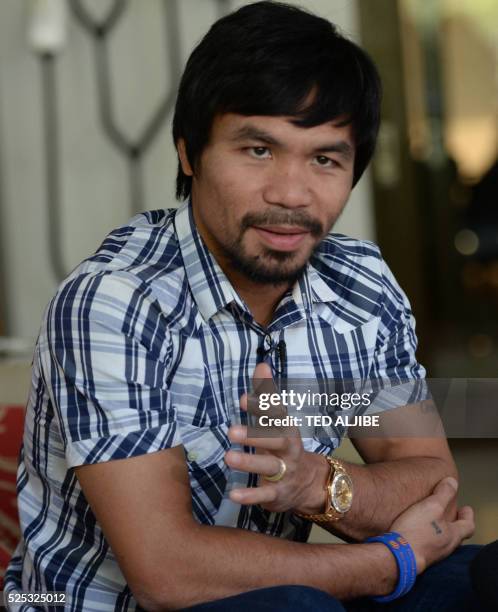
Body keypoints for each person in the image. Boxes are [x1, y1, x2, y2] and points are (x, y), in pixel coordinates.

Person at [5, 2, 479, 611]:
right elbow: (167, 574)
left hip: (281, 591)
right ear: (189, 152)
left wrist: (315, 483)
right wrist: (391, 561)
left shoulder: (359, 282)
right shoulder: (115, 300)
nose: (291, 194)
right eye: (258, 150)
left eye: (325, 159)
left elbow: (431, 480)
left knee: (478, 577)